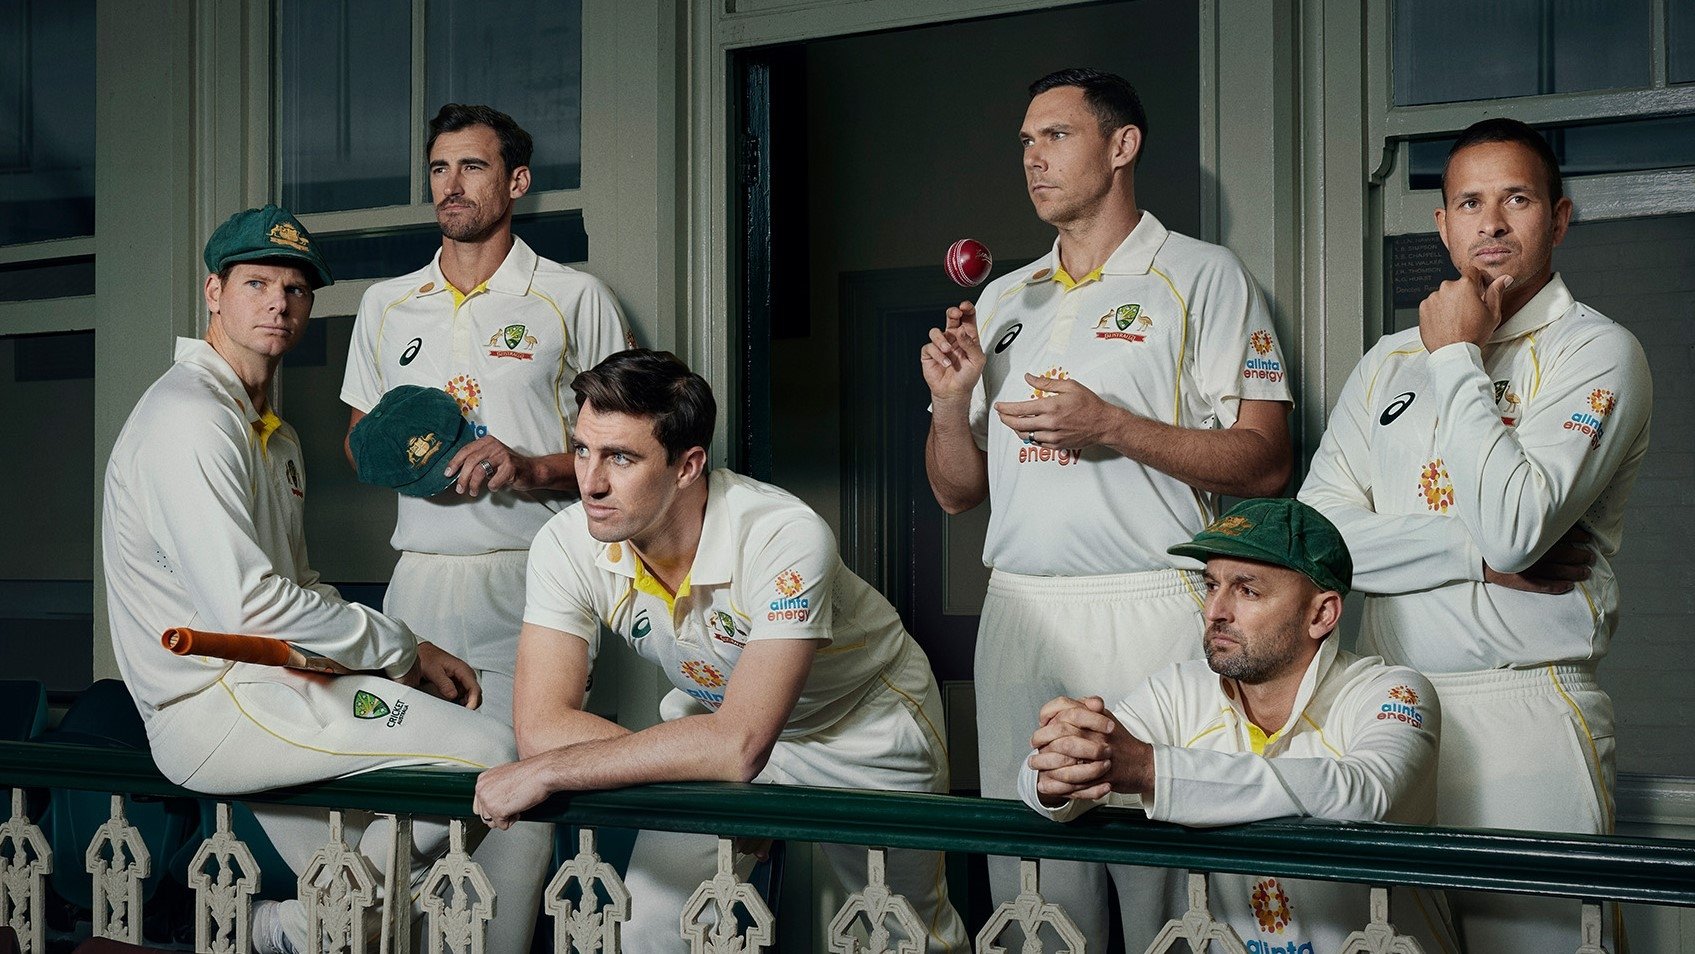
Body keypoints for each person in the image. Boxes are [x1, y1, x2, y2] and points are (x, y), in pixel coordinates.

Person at [102, 206, 552, 954]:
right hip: (216, 700)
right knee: (493, 755)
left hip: (274, 685)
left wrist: (401, 654)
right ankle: (274, 929)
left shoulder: (268, 431)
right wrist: (398, 649)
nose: (278, 303)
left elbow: (301, 585)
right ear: (214, 292)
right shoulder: (189, 417)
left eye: (295, 289)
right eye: (256, 283)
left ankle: (265, 932)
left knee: (365, 920)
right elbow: (249, 605)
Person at [920, 66, 1294, 946]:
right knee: (1032, 882)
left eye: (1055, 135)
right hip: (1017, 607)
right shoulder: (1004, 297)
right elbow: (955, 492)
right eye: (1025, 141)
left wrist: (1112, 426)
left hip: (1149, 601)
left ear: (1122, 145)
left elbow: (1267, 462)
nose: (1032, 158)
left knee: (1165, 872)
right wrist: (948, 404)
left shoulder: (1202, 275)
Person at [473, 349, 969, 952]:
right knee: (650, 927)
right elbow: (541, 727)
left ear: (688, 466)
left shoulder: (782, 533)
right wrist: (707, 758)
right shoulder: (565, 542)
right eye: (582, 450)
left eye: (620, 457)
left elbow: (735, 747)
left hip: (862, 727)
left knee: (902, 936)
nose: (591, 482)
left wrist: (553, 771)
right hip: (718, 724)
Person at [1298, 118, 1651, 950]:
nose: (1490, 223)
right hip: (1390, 707)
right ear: (1443, 225)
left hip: (1524, 709)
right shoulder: (1386, 361)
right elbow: (1314, 537)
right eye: (1469, 203)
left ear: (1557, 219)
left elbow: (1516, 527)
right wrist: (1472, 556)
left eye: (1515, 200)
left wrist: (1455, 356)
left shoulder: (1597, 351)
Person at [1019, 498, 1457, 953]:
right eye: (1211, 585)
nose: (1215, 610)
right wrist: (1059, 768)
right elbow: (1035, 783)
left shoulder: (1393, 691)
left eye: (1247, 591)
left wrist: (1152, 770)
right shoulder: (1178, 689)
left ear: (1321, 614)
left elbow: (1367, 795)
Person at [341, 103, 631, 726]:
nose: (451, 184)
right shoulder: (385, 305)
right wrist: (410, 454)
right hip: (418, 577)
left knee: (522, 769)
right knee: (409, 770)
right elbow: (359, 441)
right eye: (439, 168)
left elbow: (630, 453)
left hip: (535, 569)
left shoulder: (575, 298)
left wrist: (526, 469)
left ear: (517, 181)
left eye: (472, 167)